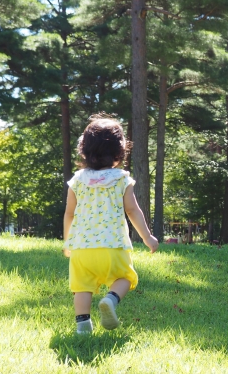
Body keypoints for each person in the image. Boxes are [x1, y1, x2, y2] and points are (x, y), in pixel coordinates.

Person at [63, 114, 159, 334]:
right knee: (125, 277)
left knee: (82, 287)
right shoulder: (121, 179)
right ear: (119, 151)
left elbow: (69, 214)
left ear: (84, 151)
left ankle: (83, 326)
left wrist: (68, 242)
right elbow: (132, 209)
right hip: (113, 246)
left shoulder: (77, 181)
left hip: (82, 249)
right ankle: (110, 299)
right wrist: (147, 237)